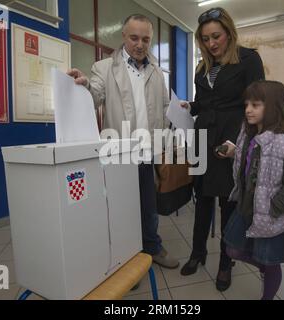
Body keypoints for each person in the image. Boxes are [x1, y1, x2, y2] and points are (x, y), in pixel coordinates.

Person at [67, 14, 179, 269]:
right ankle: (125, 258)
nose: (140, 44)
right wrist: (84, 86)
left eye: (146, 39)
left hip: (147, 150)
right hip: (118, 151)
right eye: (134, 38)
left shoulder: (157, 73)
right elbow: (94, 96)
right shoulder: (103, 68)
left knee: (149, 207)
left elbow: (162, 108)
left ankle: (152, 247)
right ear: (123, 37)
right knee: (120, 209)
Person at [180, 7, 265, 292]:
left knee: (229, 204)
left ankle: (226, 262)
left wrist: (244, 142)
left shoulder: (248, 59)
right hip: (203, 137)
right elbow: (202, 103)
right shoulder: (202, 69)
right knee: (201, 198)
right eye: (205, 39)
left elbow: (257, 104)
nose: (211, 43)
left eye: (216, 36)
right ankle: (197, 252)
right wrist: (188, 107)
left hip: (232, 138)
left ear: (229, 33)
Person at [224, 80, 284, 300]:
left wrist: (273, 207)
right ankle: (265, 266)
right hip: (247, 207)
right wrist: (233, 153)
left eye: (256, 105)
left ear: (273, 107)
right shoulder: (247, 134)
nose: (248, 109)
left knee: (271, 263)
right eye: (247, 104)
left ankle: (267, 293)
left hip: (271, 214)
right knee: (232, 249)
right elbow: (251, 165)